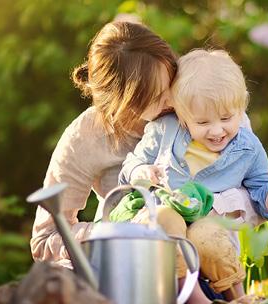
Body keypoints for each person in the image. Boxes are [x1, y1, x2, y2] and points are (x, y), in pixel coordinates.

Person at [119, 48, 268, 304]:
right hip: (163, 222)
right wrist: (139, 171)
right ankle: (192, 299)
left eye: (226, 118)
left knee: (207, 231)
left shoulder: (248, 149)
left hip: (207, 229)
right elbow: (130, 164)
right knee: (164, 217)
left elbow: (265, 206)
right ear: (182, 116)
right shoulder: (164, 130)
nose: (216, 130)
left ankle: (239, 301)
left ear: (240, 108)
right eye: (202, 122)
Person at [30, 20, 177, 267]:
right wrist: (111, 233)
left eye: (172, 83)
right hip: (125, 267)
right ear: (120, 102)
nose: (173, 100)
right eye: (155, 96)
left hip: (201, 261)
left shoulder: (199, 104)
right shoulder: (87, 135)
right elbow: (46, 238)